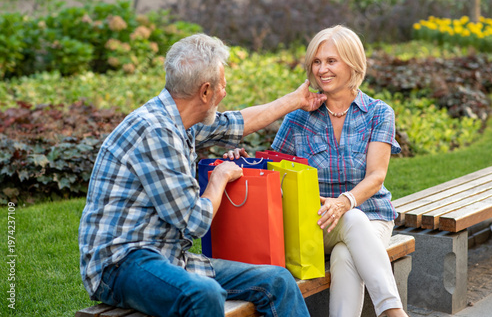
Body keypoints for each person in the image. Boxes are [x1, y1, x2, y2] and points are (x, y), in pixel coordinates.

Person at [78, 33, 326, 317]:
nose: (225, 91)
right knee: (204, 294)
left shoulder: (181, 120)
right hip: (122, 264)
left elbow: (238, 123)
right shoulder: (156, 132)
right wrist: (219, 177)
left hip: (170, 257)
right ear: (205, 91)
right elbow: (194, 222)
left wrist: (296, 100)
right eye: (222, 85)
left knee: (278, 281)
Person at [226, 25, 408, 317]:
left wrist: (344, 201)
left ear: (353, 63)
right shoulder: (299, 116)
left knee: (345, 250)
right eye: (317, 61)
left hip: (371, 216)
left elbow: (376, 176)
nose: (322, 69)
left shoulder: (378, 113)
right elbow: (275, 172)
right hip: (313, 222)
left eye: (331, 61)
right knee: (350, 224)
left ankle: (390, 311)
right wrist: (244, 162)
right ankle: (393, 312)